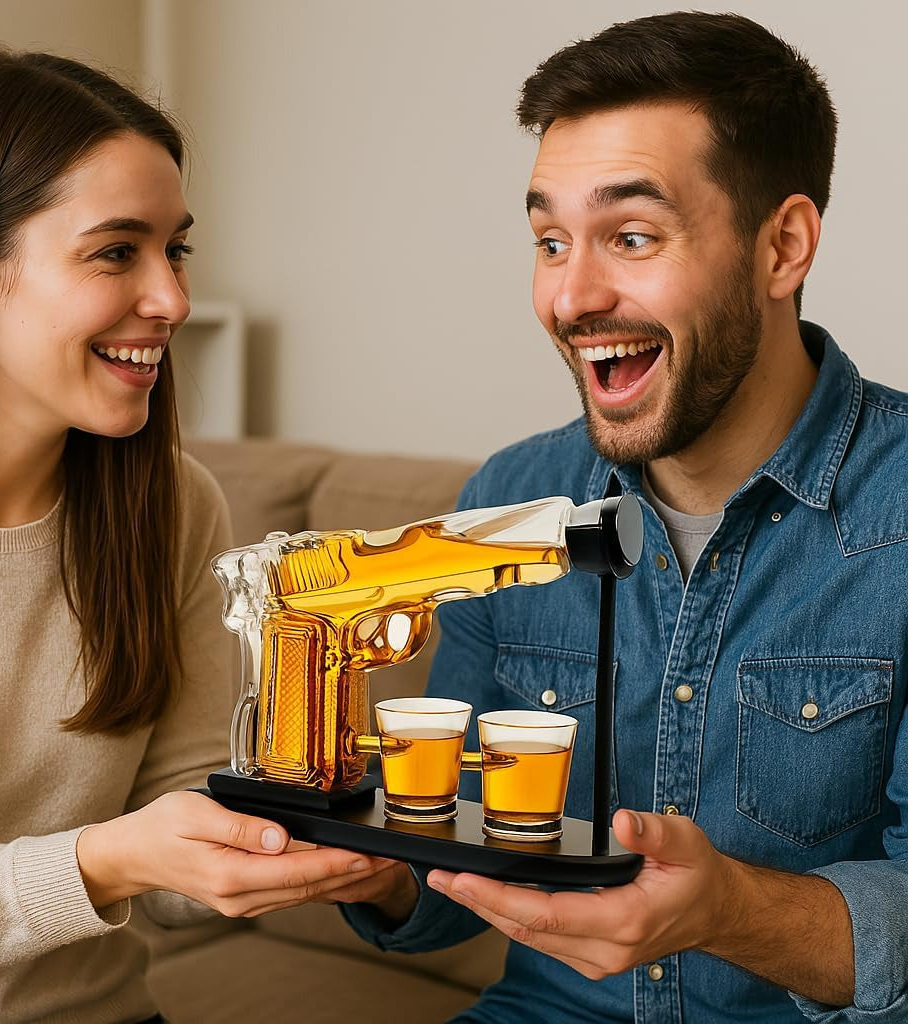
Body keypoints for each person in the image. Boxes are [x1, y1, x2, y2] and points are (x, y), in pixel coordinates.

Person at [338, 12, 908, 1023]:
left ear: (782, 246)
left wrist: (726, 909)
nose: (569, 295)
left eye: (631, 237)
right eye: (549, 240)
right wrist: (370, 862)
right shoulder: (508, 503)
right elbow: (452, 872)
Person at [0, 46, 394, 1024]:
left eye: (176, 248)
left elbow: (172, 853)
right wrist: (108, 855)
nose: (172, 299)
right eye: (117, 251)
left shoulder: (167, 504)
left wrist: (310, 834)